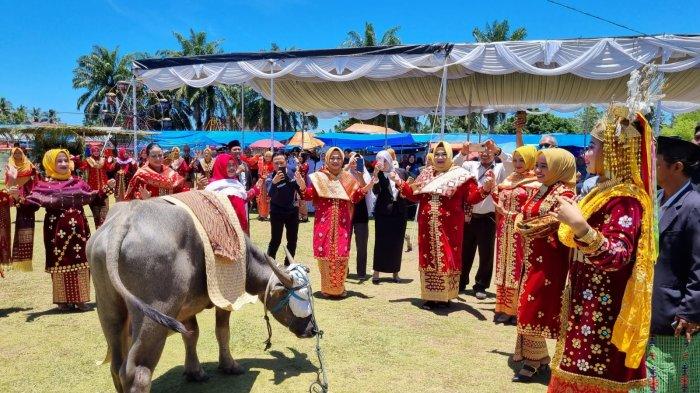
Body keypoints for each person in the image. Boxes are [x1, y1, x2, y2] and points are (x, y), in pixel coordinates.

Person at [549, 108, 656, 392]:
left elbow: (617, 256)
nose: (586, 154)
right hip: (586, 304)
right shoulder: (602, 191)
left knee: (591, 380)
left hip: (603, 313)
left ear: (614, 152)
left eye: (593, 147)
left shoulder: (626, 200)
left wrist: (580, 226)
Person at [8, 149, 115, 310]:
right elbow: (30, 206)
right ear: (50, 163)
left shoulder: (78, 182)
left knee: (82, 262)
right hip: (55, 233)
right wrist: (17, 197)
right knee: (59, 263)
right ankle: (62, 301)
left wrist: (106, 189)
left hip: (80, 232)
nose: (64, 164)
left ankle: (81, 300)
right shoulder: (43, 186)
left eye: (65, 160)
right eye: (59, 161)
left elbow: (93, 198)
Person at [392, 141, 493, 309]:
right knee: (429, 259)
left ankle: (445, 296)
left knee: (447, 258)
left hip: (449, 227)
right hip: (427, 226)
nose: (440, 157)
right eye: (437, 154)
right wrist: (399, 182)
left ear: (449, 156)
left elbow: (472, 197)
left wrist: (486, 188)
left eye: (443, 154)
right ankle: (431, 297)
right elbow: (415, 195)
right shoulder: (425, 174)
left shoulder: (460, 175)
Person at [511, 148, 576, 382]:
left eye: (543, 166)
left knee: (533, 306)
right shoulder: (541, 189)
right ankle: (538, 359)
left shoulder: (565, 194)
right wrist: (521, 222)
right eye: (537, 165)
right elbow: (523, 213)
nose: (537, 170)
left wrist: (524, 226)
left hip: (550, 261)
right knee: (527, 304)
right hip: (531, 259)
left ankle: (533, 361)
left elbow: (554, 221)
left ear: (559, 167)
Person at [642, 136, 700, 393]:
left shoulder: (694, 205)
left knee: (673, 379)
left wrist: (690, 311)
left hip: (675, 313)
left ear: (677, 167)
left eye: (655, 161)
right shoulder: (654, 199)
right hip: (648, 306)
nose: (650, 167)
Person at [303, 147, 374, 298]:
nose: (335, 161)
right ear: (327, 159)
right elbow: (309, 195)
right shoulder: (320, 177)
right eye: (333, 158)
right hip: (324, 222)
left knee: (341, 254)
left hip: (342, 222)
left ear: (343, 160)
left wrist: (367, 186)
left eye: (339, 158)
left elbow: (356, 197)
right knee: (326, 254)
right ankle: (326, 288)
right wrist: (302, 185)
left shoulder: (347, 178)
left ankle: (339, 288)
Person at [454, 140, 513, 300]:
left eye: (489, 150)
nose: (485, 153)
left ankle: (481, 285)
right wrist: (463, 153)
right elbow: (453, 167)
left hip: (489, 217)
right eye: (482, 150)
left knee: (486, 254)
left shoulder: (500, 168)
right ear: (478, 152)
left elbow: (511, 164)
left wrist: (499, 150)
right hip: (469, 216)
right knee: (464, 251)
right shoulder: (470, 166)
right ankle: (460, 282)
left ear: (494, 152)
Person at [491, 145, 539, 326]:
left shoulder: (536, 183)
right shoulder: (510, 179)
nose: (518, 164)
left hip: (520, 230)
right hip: (504, 230)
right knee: (503, 266)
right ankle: (502, 308)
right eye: (516, 160)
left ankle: (516, 310)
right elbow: (497, 195)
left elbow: (533, 208)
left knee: (518, 267)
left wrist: (513, 214)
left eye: (522, 161)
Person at [371, 150, 409, 284]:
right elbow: (375, 191)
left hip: (399, 212)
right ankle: (376, 272)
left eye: (384, 160)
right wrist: (375, 175)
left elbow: (408, 188)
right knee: (381, 242)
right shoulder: (378, 174)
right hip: (383, 213)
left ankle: (395, 273)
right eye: (379, 160)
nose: (382, 163)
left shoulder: (401, 172)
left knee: (397, 243)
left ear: (389, 159)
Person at [204, 154, 262, 234]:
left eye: (233, 165)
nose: (232, 168)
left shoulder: (231, 182)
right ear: (221, 166)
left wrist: (255, 189)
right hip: (228, 231)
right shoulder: (221, 188)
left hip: (229, 231)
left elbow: (243, 198)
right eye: (228, 165)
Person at [265, 152, 305, 265]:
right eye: (276, 163)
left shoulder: (292, 173)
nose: (279, 165)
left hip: (292, 211)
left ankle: (289, 264)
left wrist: (301, 182)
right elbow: (270, 194)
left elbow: (302, 190)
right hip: (277, 212)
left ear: (286, 162)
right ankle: (269, 264)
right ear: (272, 164)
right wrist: (274, 183)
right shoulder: (270, 177)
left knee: (292, 240)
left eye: (281, 163)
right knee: (275, 240)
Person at [4, 147, 38, 271]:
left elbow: (35, 177)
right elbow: (8, 180)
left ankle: (21, 258)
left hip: (27, 195)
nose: (18, 154)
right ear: (12, 154)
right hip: (14, 191)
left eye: (20, 153)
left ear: (23, 154)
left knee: (24, 219)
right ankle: (7, 258)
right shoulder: (10, 165)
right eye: (15, 153)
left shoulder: (28, 164)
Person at [124, 143, 190, 200]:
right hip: (148, 212)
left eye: (160, 155)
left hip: (170, 211)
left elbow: (183, 192)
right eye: (154, 156)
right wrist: (143, 199)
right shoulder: (141, 175)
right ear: (147, 157)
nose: (158, 159)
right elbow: (131, 200)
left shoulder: (171, 173)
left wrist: (199, 187)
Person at [347, 152, 376, 280]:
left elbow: (366, 189)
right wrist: (348, 167)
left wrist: (359, 175)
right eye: (353, 161)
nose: (355, 164)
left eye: (358, 162)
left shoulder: (365, 175)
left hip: (361, 213)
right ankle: (343, 269)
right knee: (344, 244)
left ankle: (361, 273)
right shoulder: (344, 174)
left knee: (362, 245)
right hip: (347, 213)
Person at [81, 145, 114, 228]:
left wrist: (113, 161)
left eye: (97, 151)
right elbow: (82, 168)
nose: (96, 152)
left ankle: (104, 229)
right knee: (96, 213)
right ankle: (97, 228)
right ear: (91, 152)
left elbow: (109, 169)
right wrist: (78, 161)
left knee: (105, 211)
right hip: (93, 190)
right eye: (94, 151)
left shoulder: (103, 160)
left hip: (104, 189)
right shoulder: (88, 161)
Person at [256, 151, 274, 221]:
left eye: (269, 156)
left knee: (268, 198)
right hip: (262, 183)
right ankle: (262, 214)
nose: (267, 158)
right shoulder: (261, 164)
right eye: (266, 156)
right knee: (261, 199)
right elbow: (259, 173)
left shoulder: (273, 164)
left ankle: (269, 214)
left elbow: (272, 174)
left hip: (269, 183)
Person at [297, 151, 310, 222]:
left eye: (300, 156)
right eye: (298, 156)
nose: (299, 157)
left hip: (303, 183)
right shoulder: (299, 164)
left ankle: (305, 216)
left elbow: (303, 170)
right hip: (297, 183)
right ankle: (298, 216)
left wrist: (298, 164)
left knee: (302, 200)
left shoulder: (306, 164)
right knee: (297, 200)